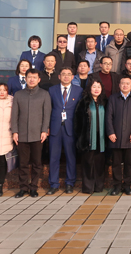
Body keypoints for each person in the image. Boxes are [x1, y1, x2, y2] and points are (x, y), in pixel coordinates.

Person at [11, 68, 51, 198]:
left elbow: (47, 114)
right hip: (21, 134)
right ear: (26, 79)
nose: (32, 80)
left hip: (38, 134)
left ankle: (33, 187)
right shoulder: (18, 94)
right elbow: (14, 115)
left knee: (36, 163)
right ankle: (23, 187)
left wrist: (44, 130)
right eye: (29, 77)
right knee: (22, 163)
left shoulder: (44, 94)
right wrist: (15, 131)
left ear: (39, 80)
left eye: (34, 77)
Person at [47, 67, 82, 195]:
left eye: (69, 74)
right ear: (59, 76)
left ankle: (70, 183)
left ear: (73, 77)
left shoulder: (79, 90)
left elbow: (80, 110)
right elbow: (48, 109)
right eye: (63, 74)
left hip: (71, 128)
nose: (66, 76)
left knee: (70, 157)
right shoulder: (52, 90)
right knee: (54, 157)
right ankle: (53, 184)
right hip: (55, 128)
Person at [106, 77, 131, 196]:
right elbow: (108, 117)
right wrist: (110, 132)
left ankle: (127, 186)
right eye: (123, 83)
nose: (125, 85)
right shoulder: (113, 98)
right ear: (119, 85)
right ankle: (116, 186)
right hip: (115, 136)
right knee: (116, 163)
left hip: (130, 137)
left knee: (128, 163)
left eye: (127, 83)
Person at [74, 79, 107, 194]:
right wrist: (80, 137)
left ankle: (99, 187)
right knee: (88, 163)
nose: (96, 89)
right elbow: (77, 121)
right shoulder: (84, 102)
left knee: (100, 163)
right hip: (87, 138)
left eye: (99, 87)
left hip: (101, 138)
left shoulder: (105, 102)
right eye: (94, 87)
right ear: (89, 89)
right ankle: (88, 187)